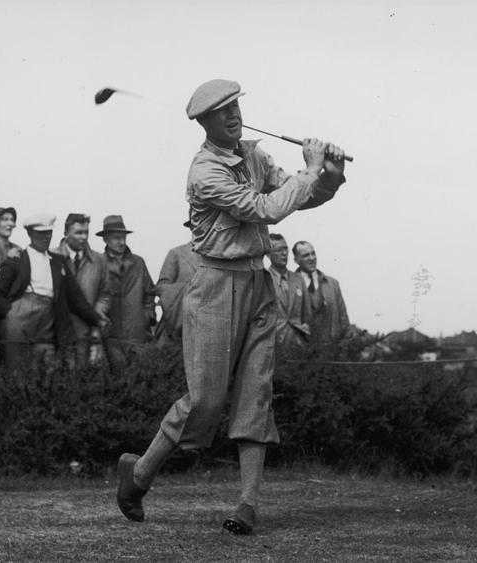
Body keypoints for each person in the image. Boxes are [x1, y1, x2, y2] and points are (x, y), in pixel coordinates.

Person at [116, 79, 347, 535]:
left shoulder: (257, 155)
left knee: (254, 393)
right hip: (215, 286)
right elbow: (268, 209)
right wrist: (310, 170)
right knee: (203, 402)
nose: (232, 115)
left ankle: (247, 504)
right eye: (221, 111)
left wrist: (329, 173)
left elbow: (301, 195)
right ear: (203, 123)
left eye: (235, 105)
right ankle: (139, 474)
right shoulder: (205, 172)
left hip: (258, 285)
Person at [0, 213, 107, 372]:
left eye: (49, 233)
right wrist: (9, 313)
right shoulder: (17, 259)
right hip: (20, 315)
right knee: (15, 368)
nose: (46, 237)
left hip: (49, 316)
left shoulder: (58, 262)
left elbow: (76, 298)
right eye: (41, 233)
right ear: (30, 234)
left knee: (47, 368)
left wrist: (97, 320)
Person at [51, 213, 113, 367]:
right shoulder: (52, 257)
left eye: (86, 232)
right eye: (78, 232)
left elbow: (106, 293)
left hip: (87, 331)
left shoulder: (99, 260)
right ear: (66, 234)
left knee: (87, 375)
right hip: (56, 330)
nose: (84, 237)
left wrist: (96, 314)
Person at [97, 215, 156, 361]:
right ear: (105, 239)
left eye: (124, 237)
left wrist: (147, 316)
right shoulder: (99, 263)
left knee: (140, 378)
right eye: (117, 238)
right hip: (111, 336)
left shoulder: (138, 262)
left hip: (138, 335)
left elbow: (149, 293)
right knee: (115, 379)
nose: (121, 242)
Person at [292, 240, 350, 342]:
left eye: (313, 253)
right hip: (302, 349)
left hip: (330, 348)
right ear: (296, 260)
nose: (311, 258)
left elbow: (343, 320)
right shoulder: (291, 284)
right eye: (305, 255)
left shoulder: (332, 284)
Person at [155, 220, 199, 344]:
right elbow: (161, 287)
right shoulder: (177, 253)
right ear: (191, 228)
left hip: (208, 323)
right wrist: (188, 290)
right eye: (197, 225)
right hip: (179, 324)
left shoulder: (217, 257)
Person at [267, 233, 312, 348]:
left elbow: (307, 314)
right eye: (278, 250)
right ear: (268, 254)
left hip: (298, 345)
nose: (284, 253)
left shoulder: (298, 279)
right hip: (274, 345)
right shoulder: (264, 279)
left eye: (285, 248)